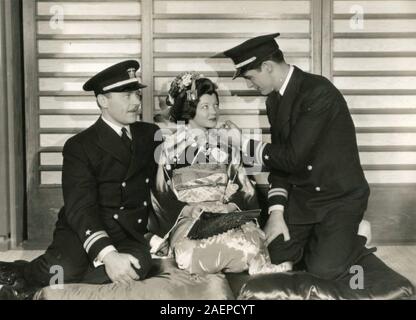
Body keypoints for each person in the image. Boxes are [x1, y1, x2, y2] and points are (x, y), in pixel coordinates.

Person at [0, 60, 183, 300]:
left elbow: (170, 176)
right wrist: (108, 255)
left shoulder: (150, 134)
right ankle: (22, 272)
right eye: (127, 96)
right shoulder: (80, 146)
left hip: (129, 232)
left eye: (137, 94)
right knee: (61, 273)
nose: (137, 102)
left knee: (130, 272)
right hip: (83, 230)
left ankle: (30, 282)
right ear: (103, 101)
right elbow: (80, 208)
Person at [220, 33, 374, 280]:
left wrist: (243, 144)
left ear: (267, 67)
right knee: (275, 254)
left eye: (250, 77)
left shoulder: (318, 91)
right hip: (304, 198)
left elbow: (293, 158)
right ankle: (325, 239)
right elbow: (279, 160)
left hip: (340, 198)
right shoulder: (273, 101)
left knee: (324, 270)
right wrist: (277, 212)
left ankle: (357, 233)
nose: (250, 85)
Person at [149, 73, 292, 275]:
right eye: (205, 107)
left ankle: (256, 265)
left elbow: (242, 183)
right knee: (189, 253)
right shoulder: (170, 147)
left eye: (216, 105)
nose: (213, 112)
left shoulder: (227, 143)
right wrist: (187, 210)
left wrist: (230, 205)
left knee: (249, 243)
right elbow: (160, 193)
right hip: (190, 216)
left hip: (225, 213)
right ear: (190, 109)